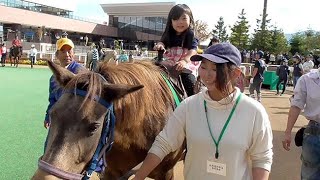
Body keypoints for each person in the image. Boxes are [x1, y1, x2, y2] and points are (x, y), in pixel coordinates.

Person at [133, 43, 273, 180]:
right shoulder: (189, 106)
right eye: (204, 67)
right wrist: (138, 177)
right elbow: (163, 143)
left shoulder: (254, 112)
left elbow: (262, 158)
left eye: (215, 69)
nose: (207, 75)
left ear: (235, 73)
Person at [154, 4, 199, 97]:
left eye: (184, 19)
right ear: (171, 21)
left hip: (185, 63)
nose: (180, 22)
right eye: (176, 19)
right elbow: (162, 42)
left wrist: (184, 61)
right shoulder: (169, 33)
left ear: (190, 19)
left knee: (189, 80)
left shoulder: (190, 34)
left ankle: (192, 99)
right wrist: (160, 45)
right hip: (170, 61)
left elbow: (193, 50)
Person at [282, 67, 320, 179]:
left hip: (314, 133)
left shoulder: (306, 79)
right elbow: (296, 106)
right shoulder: (306, 79)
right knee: (310, 175)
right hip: (314, 135)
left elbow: (296, 105)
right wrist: (288, 132)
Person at [43, 38, 84, 129]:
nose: (67, 54)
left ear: (73, 53)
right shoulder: (53, 78)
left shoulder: (81, 72)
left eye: (69, 51)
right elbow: (53, 100)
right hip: (59, 119)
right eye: (63, 51)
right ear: (57, 55)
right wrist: (48, 116)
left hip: (76, 123)